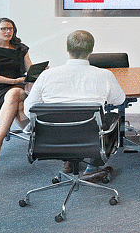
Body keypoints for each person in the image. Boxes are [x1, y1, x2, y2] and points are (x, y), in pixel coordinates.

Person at [24, 30, 126, 175]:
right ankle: (92, 167)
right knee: (112, 118)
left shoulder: (46, 75)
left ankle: (69, 160)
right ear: (91, 50)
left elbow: (29, 110)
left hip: (53, 138)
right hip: (90, 137)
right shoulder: (104, 75)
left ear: (67, 49)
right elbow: (119, 100)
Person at [0, 17, 33, 165]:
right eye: (4, 29)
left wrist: (40, 72)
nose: (8, 31)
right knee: (18, 102)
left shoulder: (21, 48)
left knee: (15, 93)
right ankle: (0, 142)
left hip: (18, 88)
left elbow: (30, 70)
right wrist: (13, 81)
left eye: (11, 29)